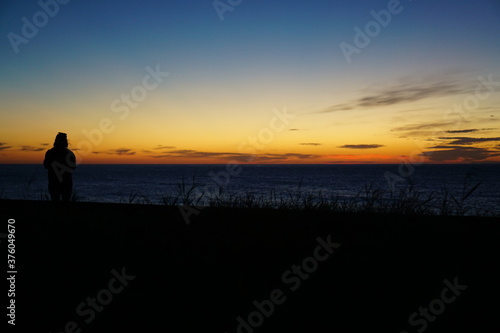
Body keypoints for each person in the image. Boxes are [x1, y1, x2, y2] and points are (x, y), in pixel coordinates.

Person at [43, 132, 77, 202]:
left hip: (54, 182)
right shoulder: (69, 153)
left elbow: (46, 165)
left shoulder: (50, 153)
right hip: (65, 183)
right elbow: (73, 167)